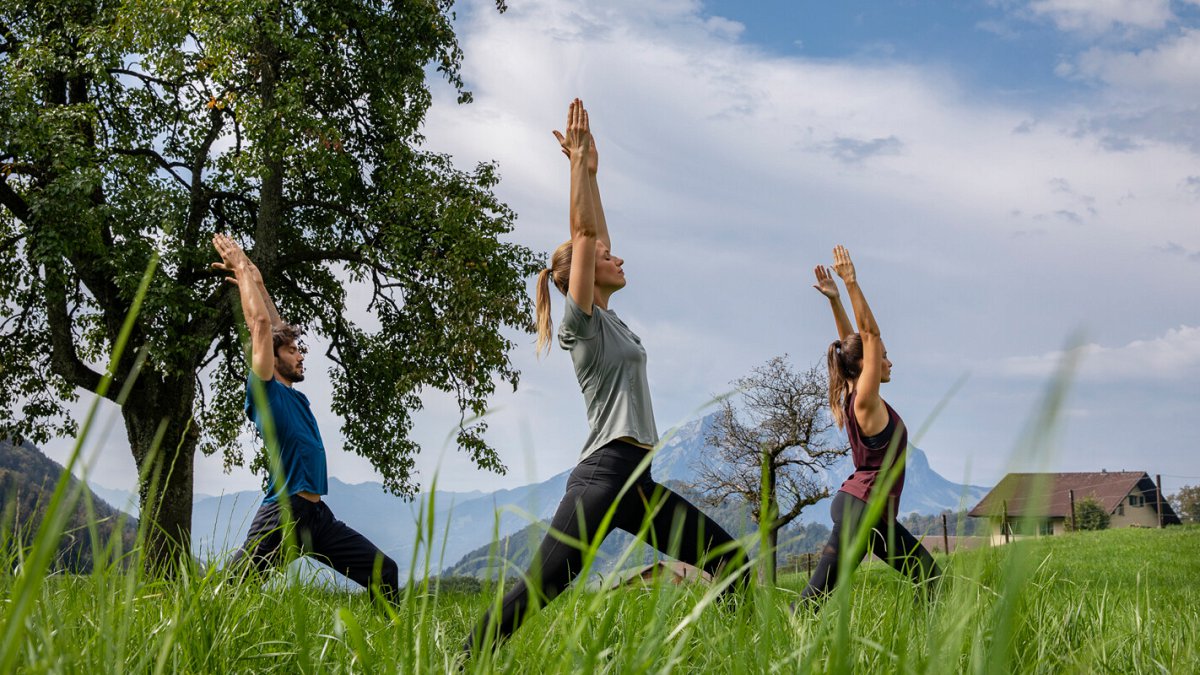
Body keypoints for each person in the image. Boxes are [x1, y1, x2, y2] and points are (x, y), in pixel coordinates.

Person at [465, 99, 747, 654]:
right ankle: (465, 661)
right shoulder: (582, 325)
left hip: (635, 479)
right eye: (607, 258)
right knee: (542, 587)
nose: (620, 260)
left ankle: (725, 655)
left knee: (730, 560)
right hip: (602, 476)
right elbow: (586, 234)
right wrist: (574, 168)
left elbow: (594, 235)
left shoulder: (610, 322)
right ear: (583, 276)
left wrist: (592, 173)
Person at [212, 233, 399, 604]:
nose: (300, 356)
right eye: (294, 351)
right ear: (273, 358)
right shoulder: (264, 391)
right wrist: (241, 272)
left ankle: (392, 651)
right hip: (284, 513)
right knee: (232, 594)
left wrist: (259, 282)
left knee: (385, 572)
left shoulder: (289, 394)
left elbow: (273, 326)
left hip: (315, 517)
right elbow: (262, 328)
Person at [799, 246, 941, 604]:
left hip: (860, 506)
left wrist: (834, 303)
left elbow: (855, 347)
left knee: (927, 578)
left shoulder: (852, 391)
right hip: (864, 507)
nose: (888, 362)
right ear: (867, 366)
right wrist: (851, 283)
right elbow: (869, 337)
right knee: (929, 578)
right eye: (883, 358)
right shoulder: (864, 399)